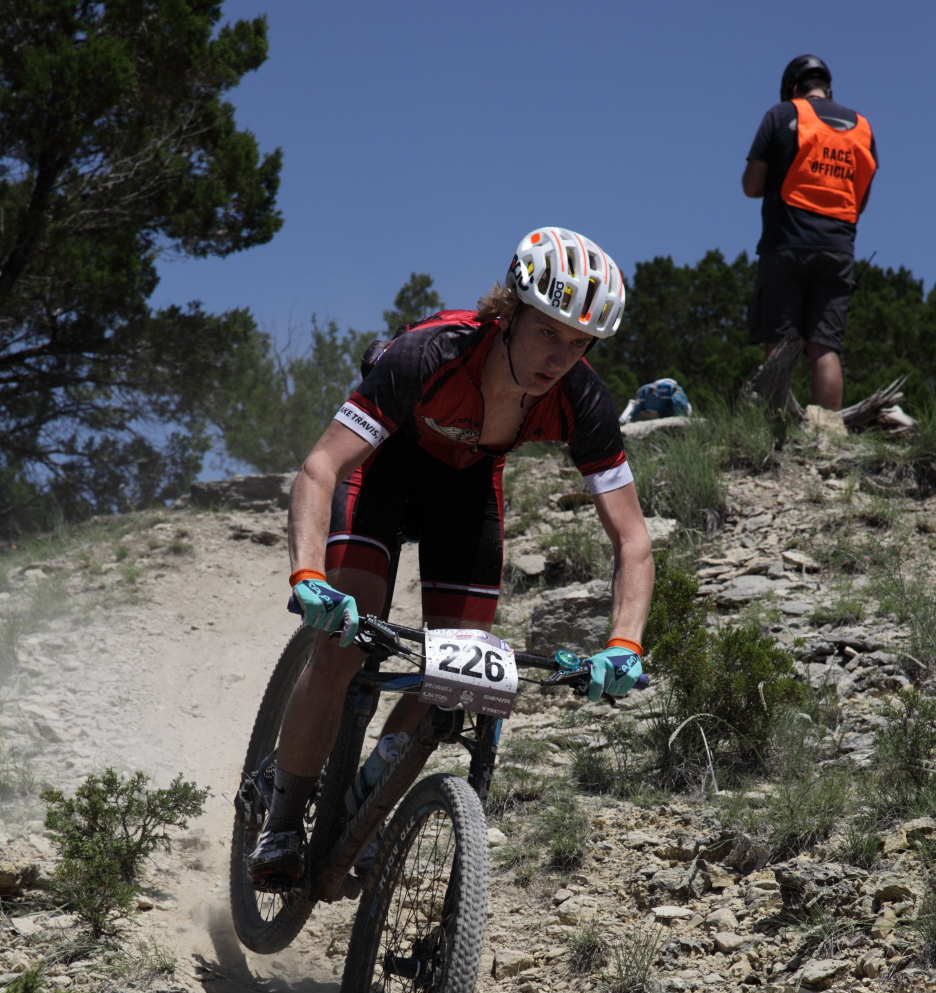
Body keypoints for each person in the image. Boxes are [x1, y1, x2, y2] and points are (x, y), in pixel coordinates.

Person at [247, 227, 655, 891]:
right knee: (342, 646)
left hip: (466, 495)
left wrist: (624, 643)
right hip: (382, 475)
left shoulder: (582, 399)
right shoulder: (430, 353)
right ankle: (283, 820)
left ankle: (367, 797)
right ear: (509, 313)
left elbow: (632, 540)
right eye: (548, 332)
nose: (560, 357)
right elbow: (322, 467)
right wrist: (309, 577)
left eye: (580, 343)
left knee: (458, 679)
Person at [743, 55, 877, 410]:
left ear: (792, 87)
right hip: (838, 249)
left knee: (779, 342)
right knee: (824, 347)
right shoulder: (862, 127)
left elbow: (751, 185)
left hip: (786, 244)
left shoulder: (782, 115)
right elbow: (859, 200)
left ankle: (773, 425)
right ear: (827, 88)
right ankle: (827, 432)